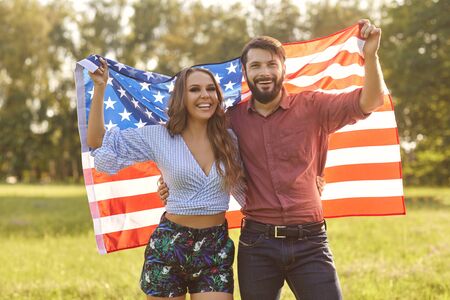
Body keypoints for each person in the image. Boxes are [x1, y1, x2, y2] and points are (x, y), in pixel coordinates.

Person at [159, 19, 385, 300]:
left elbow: (371, 100)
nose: (264, 72)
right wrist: (169, 181)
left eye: (270, 64)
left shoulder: (313, 106)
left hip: (310, 242)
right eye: (255, 66)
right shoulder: (231, 120)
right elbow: (192, 149)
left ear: (283, 69)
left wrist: (372, 55)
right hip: (257, 244)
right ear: (246, 72)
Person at [87, 61, 246, 299]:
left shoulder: (231, 139)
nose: (205, 95)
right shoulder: (159, 136)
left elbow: (266, 168)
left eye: (210, 89)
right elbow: (99, 143)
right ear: (181, 96)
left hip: (215, 248)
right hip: (169, 246)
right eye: (195, 89)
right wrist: (100, 87)